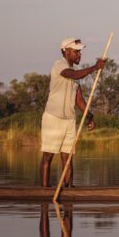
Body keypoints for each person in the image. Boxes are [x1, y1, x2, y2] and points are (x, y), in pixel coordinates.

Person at [41, 38, 105, 188]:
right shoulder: (60, 65)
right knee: (48, 156)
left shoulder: (75, 75)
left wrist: (89, 116)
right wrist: (95, 67)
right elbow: (74, 75)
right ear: (66, 51)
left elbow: (79, 99)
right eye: (76, 52)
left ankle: (68, 188)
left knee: (68, 157)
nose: (79, 55)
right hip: (53, 118)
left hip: (69, 120)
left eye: (80, 52)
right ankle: (43, 191)